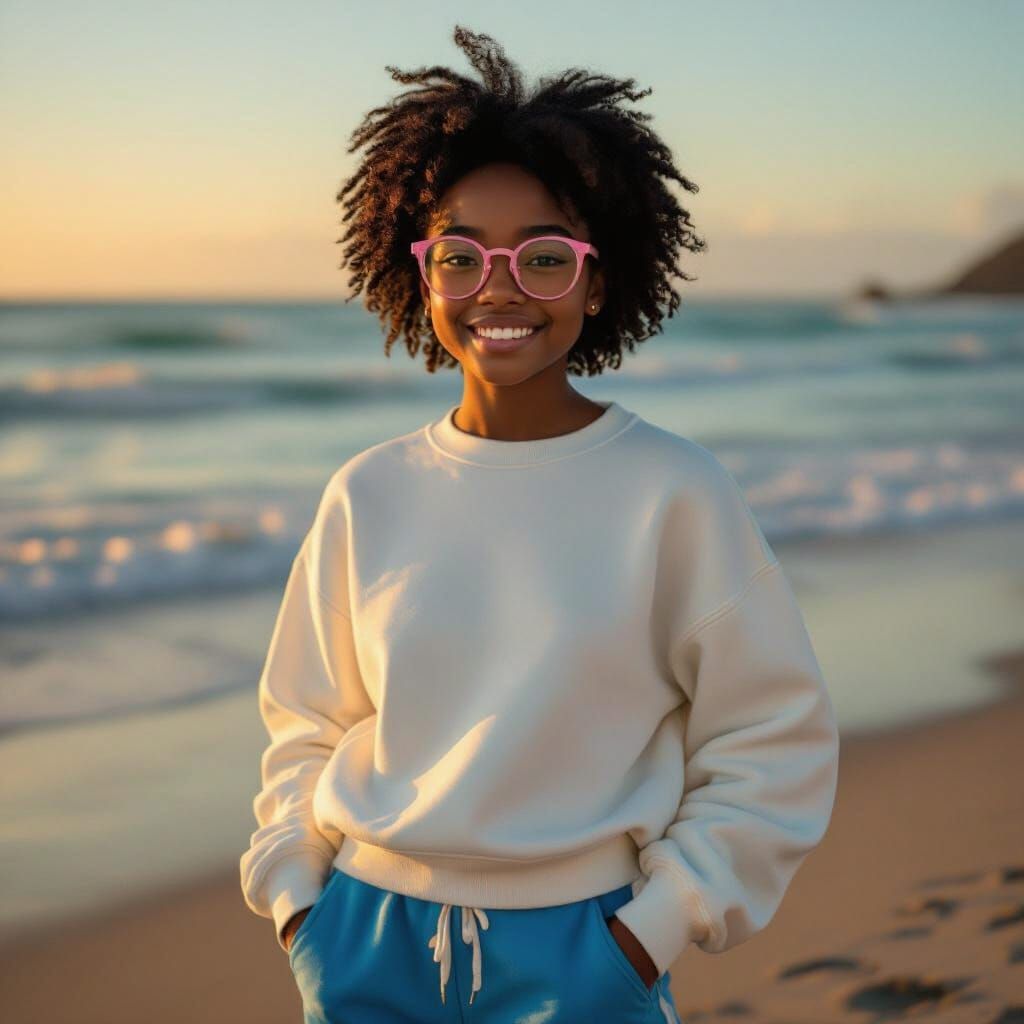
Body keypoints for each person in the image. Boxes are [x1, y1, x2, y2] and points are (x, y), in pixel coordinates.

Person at [239, 24, 840, 1024]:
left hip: (586, 949)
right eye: (462, 256)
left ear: (597, 280)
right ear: (419, 272)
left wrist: (654, 924)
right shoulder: (367, 491)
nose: (500, 288)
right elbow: (307, 724)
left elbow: (772, 731)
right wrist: (300, 904)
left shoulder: (672, 491)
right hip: (361, 941)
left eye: (544, 257)